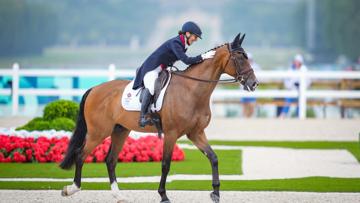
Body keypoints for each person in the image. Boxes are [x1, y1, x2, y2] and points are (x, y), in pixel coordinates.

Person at [132, 21, 216, 127]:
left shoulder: (182, 44)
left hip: (161, 69)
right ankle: (142, 117)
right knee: (151, 87)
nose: (196, 39)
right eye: (195, 36)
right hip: (151, 69)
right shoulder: (176, 43)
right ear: (188, 33)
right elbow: (186, 60)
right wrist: (203, 56)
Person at [277, 54, 308, 118]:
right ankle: (283, 115)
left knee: (300, 100)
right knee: (288, 99)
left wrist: (301, 86)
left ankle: (298, 115)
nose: (296, 63)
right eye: (296, 61)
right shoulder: (290, 70)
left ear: (300, 62)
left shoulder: (304, 69)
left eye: (298, 62)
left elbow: (308, 81)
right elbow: (286, 82)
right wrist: (292, 85)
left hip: (301, 91)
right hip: (291, 91)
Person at [240, 53, 261, 118]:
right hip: (244, 89)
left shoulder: (256, 66)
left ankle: (249, 118)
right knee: (245, 105)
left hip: (253, 89)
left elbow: (260, 77)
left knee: (252, 105)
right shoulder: (242, 66)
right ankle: (245, 118)